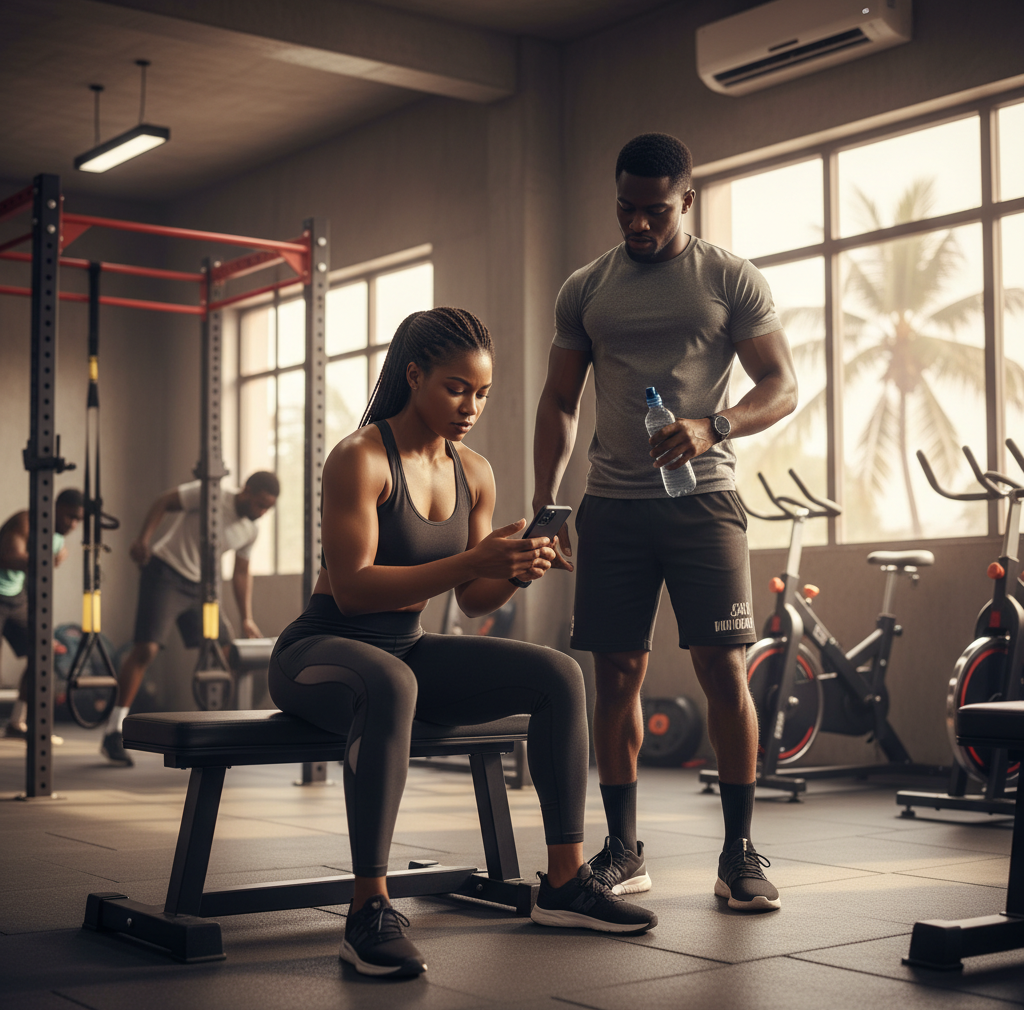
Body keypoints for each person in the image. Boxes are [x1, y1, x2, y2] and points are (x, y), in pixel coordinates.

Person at [270, 307, 657, 979]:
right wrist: (474, 564)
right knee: (390, 684)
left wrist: (511, 571)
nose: (471, 406)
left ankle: (563, 883)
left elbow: (473, 600)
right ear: (415, 376)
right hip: (321, 653)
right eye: (456, 388)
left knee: (558, 675)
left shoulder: (473, 470)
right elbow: (356, 588)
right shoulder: (359, 457)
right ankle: (369, 910)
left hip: (408, 648)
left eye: (481, 392)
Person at [532, 133, 798, 913]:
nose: (638, 224)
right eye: (626, 208)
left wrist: (715, 425)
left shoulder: (728, 278)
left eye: (654, 210)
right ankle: (622, 851)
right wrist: (550, 501)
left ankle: (739, 852)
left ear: (687, 198)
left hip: (705, 501)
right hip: (612, 505)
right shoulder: (586, 288)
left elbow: (781, 382)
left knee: (724, 670)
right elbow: (559, 400)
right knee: (614, 677)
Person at [101, 471, 280, 765]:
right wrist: (144, 539)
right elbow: (163, 502)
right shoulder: (211, 493)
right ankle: (112, 730)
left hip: (201, 590)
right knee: (146, 649)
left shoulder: (251, 530)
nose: (262, 513)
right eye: (260, 504)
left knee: (227, 654)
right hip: (165, 573)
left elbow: (241, 573)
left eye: (268, 508)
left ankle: (228, 732)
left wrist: (247, 617)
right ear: (246, 490)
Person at [1, 489, 85, 741]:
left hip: (16, 597)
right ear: (56, 507)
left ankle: (18, 721)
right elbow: (10, 557)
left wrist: (51, 557)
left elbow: (41, 563)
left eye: (78, 519)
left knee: (42, 652)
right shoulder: (25, 521)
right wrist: (49, 559)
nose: (73, 524)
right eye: (70, 516)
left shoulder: (58, 538)